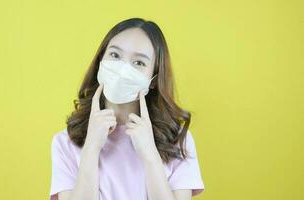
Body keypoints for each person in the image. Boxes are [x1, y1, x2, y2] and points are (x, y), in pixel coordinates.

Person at [49, 17, 205, 200]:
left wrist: (150, 155)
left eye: (139, 62)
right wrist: (91, 148)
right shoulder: (66, 142)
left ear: (154, 80)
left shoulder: (177, 139)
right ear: (101, 60)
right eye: (115, 55)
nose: (122, 69)